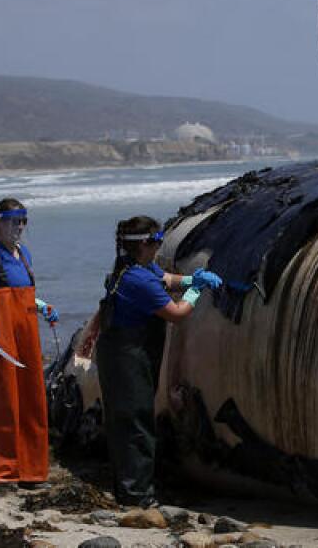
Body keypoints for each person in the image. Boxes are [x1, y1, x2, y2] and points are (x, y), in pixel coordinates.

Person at [96, 215, 221, 508]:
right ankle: (136, 494)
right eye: (156, 242)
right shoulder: (136, 279)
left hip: (130, 353)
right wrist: (195, 291)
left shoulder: (137, 267)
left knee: (131, 419)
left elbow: (165, 279)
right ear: (143, 245)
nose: (159, 247)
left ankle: (130, 486)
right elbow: (176, 314)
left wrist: (191, 278)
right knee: (134, 421)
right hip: (125, 357)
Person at [0, 198, 60, 486]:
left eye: (23, 221)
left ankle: (31, 468)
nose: (19, 227)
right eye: (13, 221)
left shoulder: (24, 253)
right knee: (2, 400)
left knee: (31, 396)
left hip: (26, 332)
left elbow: (22, 292)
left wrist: (41, 305)